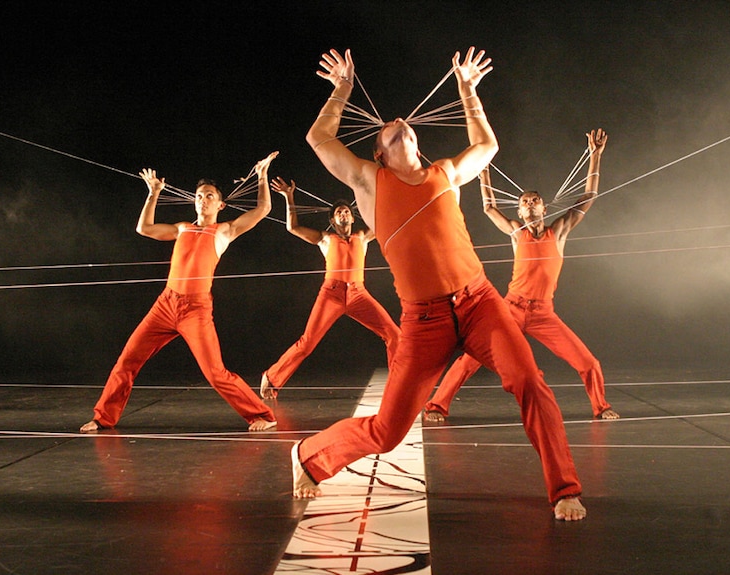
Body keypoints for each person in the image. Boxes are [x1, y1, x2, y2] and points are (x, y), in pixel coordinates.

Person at [293, 47, 586, 521]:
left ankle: (564, 489)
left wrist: (468, 91)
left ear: (416, 143)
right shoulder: (369, 182)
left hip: (480, 303)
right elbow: (318, 137)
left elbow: (487, 147)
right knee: (388, 432)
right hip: (423, 319)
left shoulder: (445, 173)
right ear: (380, 151)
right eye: (388, 128)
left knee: (530, 379)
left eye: (404, 125)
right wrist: (342, 90)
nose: (398, 121)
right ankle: (309, 455)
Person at [425, 133, 620, 423]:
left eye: (535, 200)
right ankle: (436, 406)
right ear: (519, 210)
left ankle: (601, 407)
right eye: (525, 201)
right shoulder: (517, 232)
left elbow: (588, 196)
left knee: (588, 362)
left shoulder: (560, 231)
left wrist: (596, 155)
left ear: (543, 208)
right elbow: (489, 207)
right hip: (511, 310)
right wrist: (484, 172)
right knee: (470, 360)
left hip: (544, 314)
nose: (530, 204)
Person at [79, 152, 280, 434]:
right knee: (126, 361)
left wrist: (261, 176)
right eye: (199, 195)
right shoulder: (182, 228)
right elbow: (144, 228)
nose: (203, 199)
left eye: (209, 195)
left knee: (215, 372)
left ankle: (262, 415)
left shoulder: (225, 230)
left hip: (195, 310)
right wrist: (153, 193)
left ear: (220, 204)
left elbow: (262, 210)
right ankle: (103, 418)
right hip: (165, 305)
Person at [260, 177, 400, 399]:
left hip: (358, 294)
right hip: (331, 295)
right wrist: (289, 197)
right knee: (307, 343)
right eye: (339, 213)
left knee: (394, 334)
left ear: (353, 218)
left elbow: (386, 219)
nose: (343, 214)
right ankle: (272, 377)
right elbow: (293, 227)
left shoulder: (362, 236)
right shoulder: (325, 238)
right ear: (333, 221)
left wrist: (381, 191)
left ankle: (398, 384)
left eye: (346, 211)